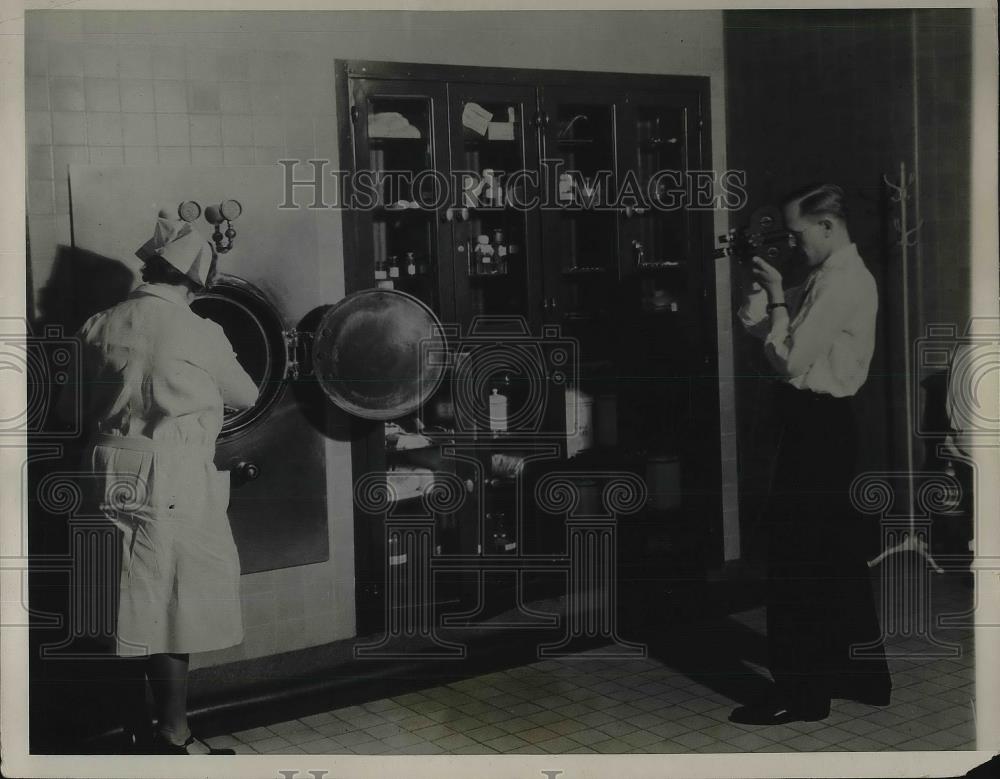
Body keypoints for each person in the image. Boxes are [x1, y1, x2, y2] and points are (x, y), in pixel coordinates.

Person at [61, 212, 259, 753]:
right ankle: (174, 733)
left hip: (104, 469)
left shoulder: (99, 323)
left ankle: (130, 731)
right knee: (174, 605)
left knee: (117, 605)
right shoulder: (200, 330)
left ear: (149, 266)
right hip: (168, 475)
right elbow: (245, 395)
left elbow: (69, 407)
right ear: (196, 279)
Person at [731, 183, 892, 725]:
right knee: (834, 555)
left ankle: (801, 695)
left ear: (827, 227)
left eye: (798, 235)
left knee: (797, 560)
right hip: (820, 425)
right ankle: (863, 676)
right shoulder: (826, 276)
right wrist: (764, 287)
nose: (792, 245)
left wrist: (779, 296)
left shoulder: (842, 282)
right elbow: (759, 328)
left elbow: (791, 359)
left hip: (817, 424)